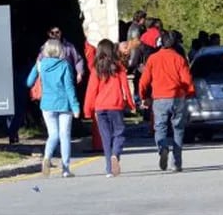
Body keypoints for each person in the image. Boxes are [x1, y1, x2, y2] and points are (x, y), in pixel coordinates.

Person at [139, 31, 194, 173]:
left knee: (160, 127)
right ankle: (176, 163)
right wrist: (190, 93)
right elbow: (187, 80)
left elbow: (144, 81)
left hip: (159, 98)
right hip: (177, 97)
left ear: (161, 43)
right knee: (178, 129)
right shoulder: (179, 59)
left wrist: (144, 96)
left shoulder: (152, 59)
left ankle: (162, 147)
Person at [27, 39, 81, 177]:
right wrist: (75, 106)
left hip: (47, 104)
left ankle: (46, 157)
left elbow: (28, 82)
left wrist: (37, 69)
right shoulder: (65, 65)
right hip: (64, 104)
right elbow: (69, 88)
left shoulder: (41, 65)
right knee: (64, 135)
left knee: (53, 134)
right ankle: (65, 169)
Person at [84, 39, 136, 177]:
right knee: (119, 133)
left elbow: (91, 91)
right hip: (116, 105)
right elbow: (125, 87)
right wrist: (131, 104)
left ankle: (109, 169)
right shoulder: (119, 67)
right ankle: (115, 154)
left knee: (106, 138)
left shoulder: (96, 69)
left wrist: (88, 109)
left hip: (100, 107)